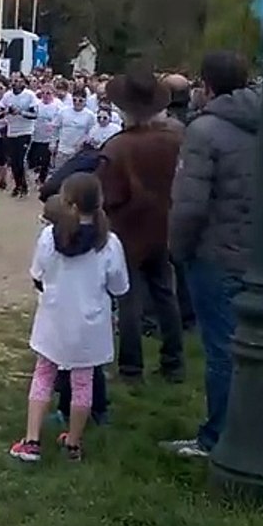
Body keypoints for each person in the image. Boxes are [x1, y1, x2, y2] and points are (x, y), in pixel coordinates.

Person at [165, 51, 263, 459]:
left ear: (207, 85)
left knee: (222, 350)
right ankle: (259, 428)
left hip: (216, 254)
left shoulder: (204, 130)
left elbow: (190, 204)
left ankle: (220, 438)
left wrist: (178, 250)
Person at [10, 173, 129, 463]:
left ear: (67, 203)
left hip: (54, 317)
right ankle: (73, 444)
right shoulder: (109, 242)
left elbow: (37, 274)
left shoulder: (51, 238)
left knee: (43, 375)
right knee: (83, 382)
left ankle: (32, 440)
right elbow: (119, 286)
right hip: (90, 323)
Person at [96, 70, 186, 384]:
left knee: (129, 300)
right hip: (164, 224)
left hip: (127, 231)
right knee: (166, 294)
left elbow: (109, 196)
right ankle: (174, 362)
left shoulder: (117, 148)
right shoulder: (176, 139)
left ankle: (131, 369)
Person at [0, 74, 38, 198]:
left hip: (25, 131)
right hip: (12, 131)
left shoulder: (29, 95)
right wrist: (7, 111)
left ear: (23, 81)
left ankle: (23, 186)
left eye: (17, 80)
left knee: (21, 159)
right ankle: (18, 184)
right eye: (13, 80)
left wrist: (20, 112)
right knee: (13, 161)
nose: (15, 83)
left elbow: (35, 114)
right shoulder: (7, 96)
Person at [28, 84, 62, 187]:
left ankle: (42, 180)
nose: (45, 96)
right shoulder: (37, 105)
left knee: (45, 160)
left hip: (50, 138)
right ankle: (35, 175)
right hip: (37, 136)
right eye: (43, 93)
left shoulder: (58, 105)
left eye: (48, 93)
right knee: (32, 159)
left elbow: (59, 122)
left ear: (53, 94)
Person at [51, 92, 94, 170]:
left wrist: (83, 141)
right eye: (74, 100)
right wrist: (53, 143)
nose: (77, 102)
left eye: (80, 100)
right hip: (62, 149)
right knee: (59, 173)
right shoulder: (63, 111)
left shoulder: (90, 115)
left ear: (85, 101)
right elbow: (55, 127)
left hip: (78, 152)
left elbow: (91, 132)